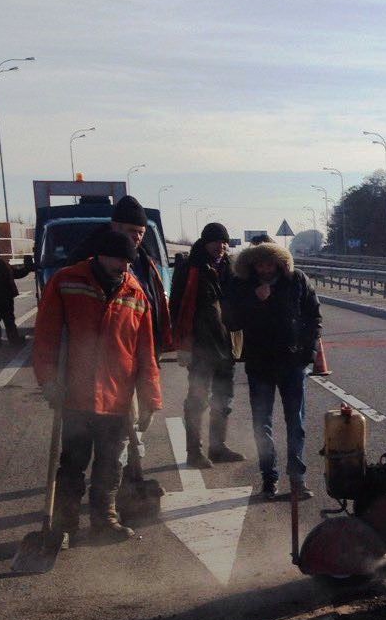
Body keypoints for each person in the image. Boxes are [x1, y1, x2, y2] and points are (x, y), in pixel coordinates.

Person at [32, 229, 162, 544]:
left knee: (111, 465)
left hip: (117, 397)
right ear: (100, 255)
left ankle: (105, 521)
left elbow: (145, 352)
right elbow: (46, 337)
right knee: (72, 464)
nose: (124, 267)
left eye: (129, 262)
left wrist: (150, 399)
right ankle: (64, 525)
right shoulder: (66, 281)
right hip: (76, 394)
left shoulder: (135, 293)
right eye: (119, 260)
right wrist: (48, 380)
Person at [228, 239, 321, 500]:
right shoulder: (243, 284)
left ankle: (297, 479)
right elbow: (231, 320)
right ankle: (269, 478)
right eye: (260, 264)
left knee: (296, 423)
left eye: (270, 264)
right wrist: (254, 300)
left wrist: (308, 353)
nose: (265, 269)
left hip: (292, 364)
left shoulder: (297, 280)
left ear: (279, 262)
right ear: (252, 265)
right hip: (259, 364)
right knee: (262, 424)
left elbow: (314, 317)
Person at [170, 221, 245, 469]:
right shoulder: (190, 267)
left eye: (224, 242)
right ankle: (194, 452)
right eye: (215, 241)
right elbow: (177, 305)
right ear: (205, 242)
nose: (220, 246)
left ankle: (218, 447)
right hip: (200, 346)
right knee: (197, 399)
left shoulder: (231, 268)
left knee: (224, 399)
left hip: (226, 345)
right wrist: (182, 342)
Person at [68, 194, 172, 357]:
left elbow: (156, 301)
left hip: (143, 345)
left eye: (141, 232)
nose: (137, 237)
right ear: (115, 226)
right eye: (132, 231)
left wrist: (162, 339)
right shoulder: (89, 261)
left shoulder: (146, 261)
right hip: (104, 351)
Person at [0, 242, 26, 347]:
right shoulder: (4, 264)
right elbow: (18, 273)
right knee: (9, 320)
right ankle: (14, 341)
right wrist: (27, 268)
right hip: (5, 298)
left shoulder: (3, 264)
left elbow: (16, 274)